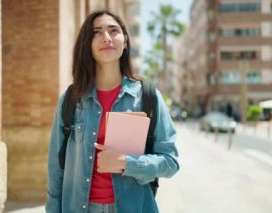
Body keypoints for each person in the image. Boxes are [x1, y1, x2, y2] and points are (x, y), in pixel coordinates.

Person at [46, 10, 179, 213]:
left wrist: (127, 163)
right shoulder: (71, 99)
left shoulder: (147, 96)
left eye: (113, 30)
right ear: (87, 44)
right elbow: (56, 170)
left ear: (125, 41)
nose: (106, 37)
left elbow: (170, 161)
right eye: (96, 32)